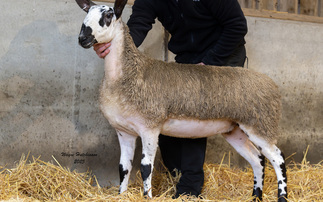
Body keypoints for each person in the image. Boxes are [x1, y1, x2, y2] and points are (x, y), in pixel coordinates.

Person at [94, 0, 247, 198]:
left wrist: (209, 62)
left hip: (223, 54)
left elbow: (237, 26)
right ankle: (175, 174)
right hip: (188, 58)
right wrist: (113, 44)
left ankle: (189, 189)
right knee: (162, 114)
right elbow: (139, 24)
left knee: (194, 114)